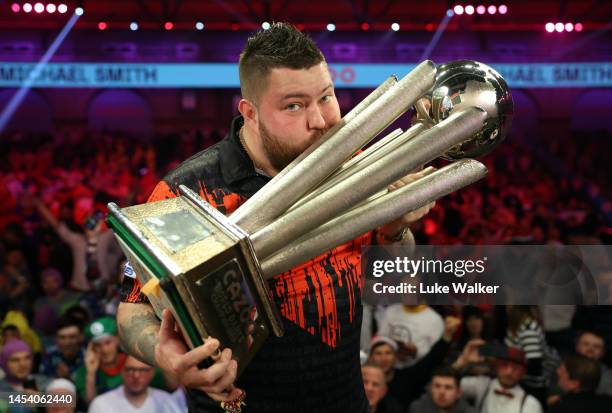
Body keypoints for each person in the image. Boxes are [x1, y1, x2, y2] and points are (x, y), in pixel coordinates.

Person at [116, 22, 434, 413]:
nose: (319, 120)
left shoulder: (356, 169)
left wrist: (394, 226)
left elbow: (396, 279)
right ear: (250, 113)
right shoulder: (185, 192)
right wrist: (163, 354)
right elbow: (133, 307)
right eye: (294, 106)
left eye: (327, 96)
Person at [459, 345, 543, 413]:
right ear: (497, 366)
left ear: (523, 372)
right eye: (504, 365)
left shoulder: (531, 404)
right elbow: (451, 384)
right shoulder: (482, 385)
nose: (509, 372)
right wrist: (461, 363)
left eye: (516, 368)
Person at [88, 355, 182, 413]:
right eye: (130, 369)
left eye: (143, 370)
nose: (136, 375)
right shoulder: (101, 404)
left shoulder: (167, 401)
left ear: (152, 373)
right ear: (122, 372)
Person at [74, 316, 126, 403]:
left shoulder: (133, 363)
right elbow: (91, 404)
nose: (104, 350)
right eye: (98, 345)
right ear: (91, 348)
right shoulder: (82, 373)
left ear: (117, 339)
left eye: (108, 342)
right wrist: (91, 373)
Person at [376, 304, 444, 368]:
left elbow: (435, 354)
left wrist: (416, 351)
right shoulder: (391, 310)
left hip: (417, 369)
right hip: (386, 366)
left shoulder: (435, 319)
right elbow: (380, 339)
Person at [409, 366, 476, 413]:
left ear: (458, 393)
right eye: (437, 386)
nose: (441, 392)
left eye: (448, 388)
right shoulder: (417, 408)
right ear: (430, 388)